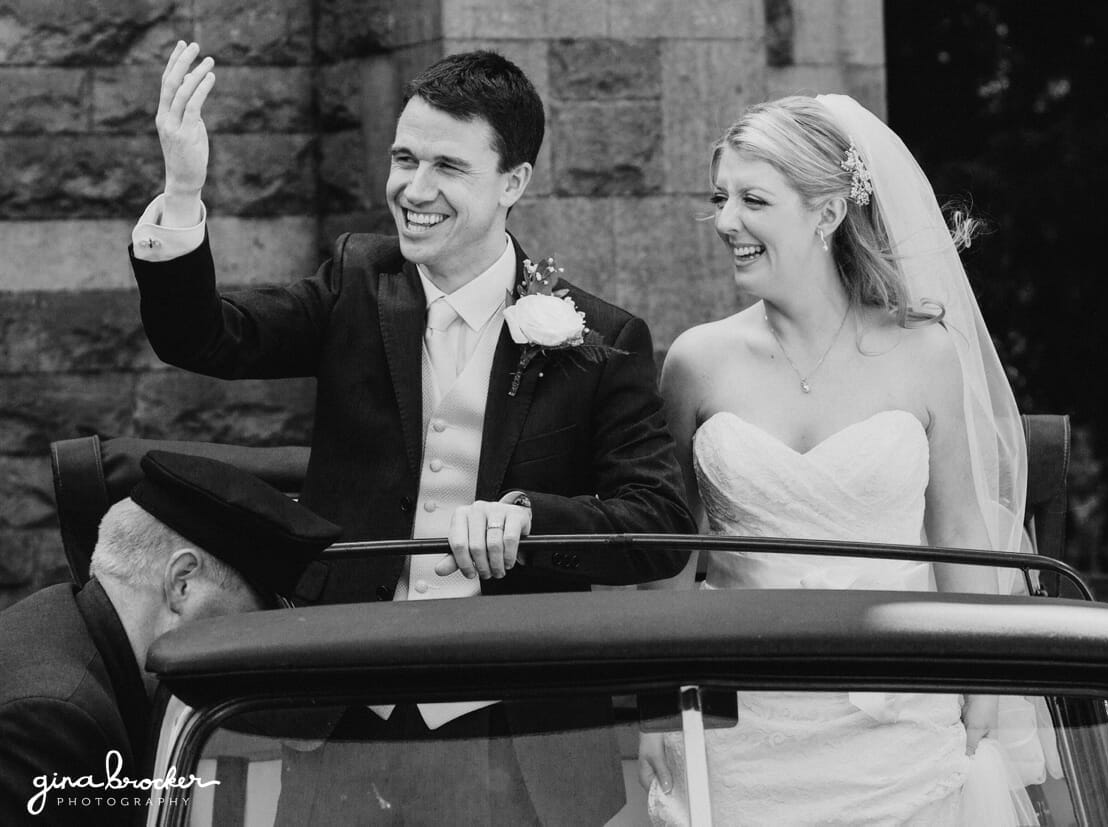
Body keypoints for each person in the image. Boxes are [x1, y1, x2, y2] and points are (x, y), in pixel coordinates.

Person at [129, 42, 693, 824]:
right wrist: (185, 189)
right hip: (344, 717)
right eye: (404, 158)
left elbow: (663, 524)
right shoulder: (355, 280)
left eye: (448, 168)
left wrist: (533, 518)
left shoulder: (600, 337)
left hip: (514, 730)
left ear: (514, 183)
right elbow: (205, 338)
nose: (413, 189)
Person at [638, 95, 1041, 825]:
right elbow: (673, 557)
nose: (726, 221)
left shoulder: (924, 353)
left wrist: (985, 678)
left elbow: (958, 525)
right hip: (743, 729)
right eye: (720, 198)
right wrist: (662, 706)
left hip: (899, 722)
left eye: (753, 199)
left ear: (826, 214)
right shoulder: (697, 361)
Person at [0, 450, 340, 825]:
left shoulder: (63, 634)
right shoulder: (51, 716)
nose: (252, 644)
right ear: (182, 582)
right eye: (252, 617)